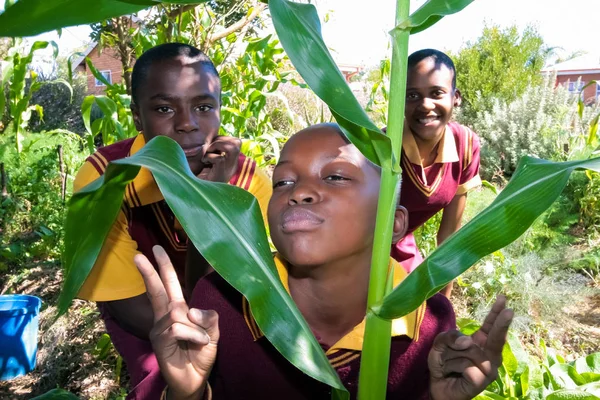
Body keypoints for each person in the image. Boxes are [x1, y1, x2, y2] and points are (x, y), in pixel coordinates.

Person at [134, 123, 513, 400]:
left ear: (394, 223)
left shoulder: (430, 324)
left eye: (334, 176)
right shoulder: (222, 304)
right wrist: (188, 392)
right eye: (283, 181)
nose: (299, 192)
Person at [72, 43, 272, 398]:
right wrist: (197, 340)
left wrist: (212, 200)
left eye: (204, 107)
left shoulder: (246, 182)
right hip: (144, 318)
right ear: (137, 116)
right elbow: (127, 305)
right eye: (164, 108)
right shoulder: (105, 179)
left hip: (222, 312)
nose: (187, 124)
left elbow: (249, 289)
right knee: (164, 381)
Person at [391, 49, 482, 297]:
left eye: (436, 93)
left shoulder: (465, 145)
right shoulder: (383, 147)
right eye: (412, 95)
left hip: (401, 248)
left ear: (456, 98)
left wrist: (444, 301)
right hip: (356, 252)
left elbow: (449, 235)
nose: (425, 105)